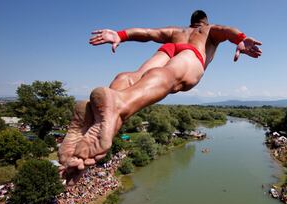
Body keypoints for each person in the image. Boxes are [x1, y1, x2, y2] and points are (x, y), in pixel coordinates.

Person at [58, 10, 262, 174]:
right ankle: (115, 105)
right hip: (192, 54)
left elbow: (146, 33)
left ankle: (85, 145)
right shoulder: (207, 30)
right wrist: (241, 39)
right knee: (169, 75)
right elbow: (226, 30)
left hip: (168, 48)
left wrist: (119, 35)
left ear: (190, 22)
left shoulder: (177, 31)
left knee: (130, 79)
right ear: (204, 21)